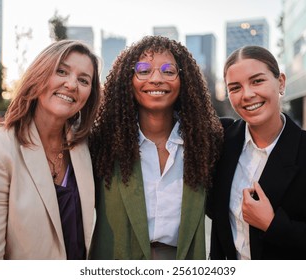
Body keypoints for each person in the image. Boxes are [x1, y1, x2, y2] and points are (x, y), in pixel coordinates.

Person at [207, 45, 306, 260]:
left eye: (257, 81)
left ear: (281, 82)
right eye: (235, 87)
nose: (247, 94)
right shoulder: (222, 140)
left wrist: (273, 225)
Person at [0, 40, 101, 259]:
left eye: (83, 80)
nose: (72, 84)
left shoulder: (85, 147)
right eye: (61, 71)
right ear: (40, 75)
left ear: (89, 96)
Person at [88, 35, 223, 260]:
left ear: (184, 80)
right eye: (143, 70)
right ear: (127, 79)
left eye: (169, 71)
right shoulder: (102, 143)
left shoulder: (205, 143)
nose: (156, 79)